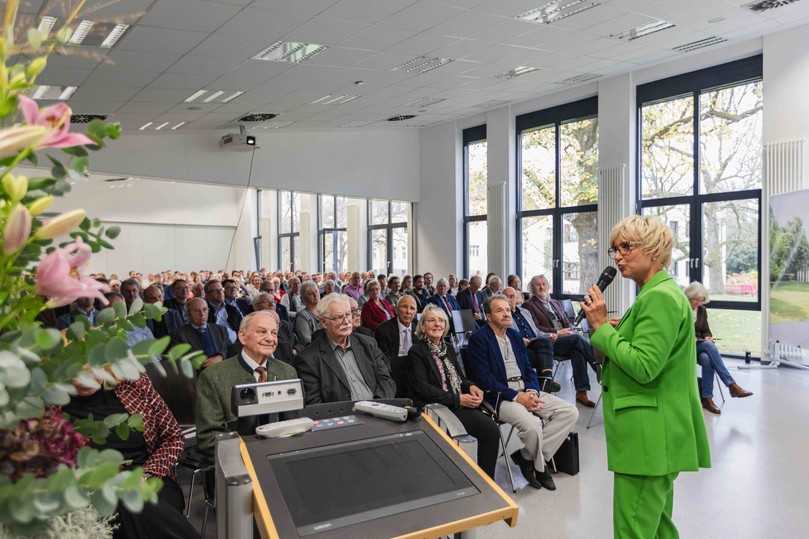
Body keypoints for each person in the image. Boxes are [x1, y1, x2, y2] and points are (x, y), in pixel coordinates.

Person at [580, 215, 711, 539]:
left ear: (654, 249)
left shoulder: (659, 298)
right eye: (614, 250)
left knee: (634, 530)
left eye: (626, 246)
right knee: (658, 528)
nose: (618, 256)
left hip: (648, 436)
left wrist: (599, 328)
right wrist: (616, 333)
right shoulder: (660, 294)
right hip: (655, 436)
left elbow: (644, 366)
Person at [465, 295, 578, 491]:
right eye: (500, 310)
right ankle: (541, 468)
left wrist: (532, 391)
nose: (507, 312)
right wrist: (518, 397)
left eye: (508, 309)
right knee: (533, 425)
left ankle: (526, 456)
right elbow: (484, 379)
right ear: (489, 316)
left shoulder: (515, 336)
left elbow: (528, 369)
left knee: (570, 412)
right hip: (501, 397)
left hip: (526, 390)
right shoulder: (478, 339)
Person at [66, 372, 199, 539]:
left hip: (150, 476)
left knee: (141, 505)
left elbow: (173, 437)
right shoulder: (50, 405)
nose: (91, 372)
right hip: (91, 489)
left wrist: (145, 475)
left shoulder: (133, 383)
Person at [407, 305, 500, 478]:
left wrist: (471, 386)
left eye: (441, 320)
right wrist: (457, 399)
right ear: (423, 326)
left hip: (456, 402)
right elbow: (422, 388)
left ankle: (488, 481)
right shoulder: (417, 351)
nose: (437, 324)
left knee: (491, 430)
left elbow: (460, 378)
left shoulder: (447, 347)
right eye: (431, 320)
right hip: (434, 407)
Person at [195, 311, 298, 458]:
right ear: (242, 336)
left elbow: (294, 426)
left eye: (274, 333)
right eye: (262, 332)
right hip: (237, 462)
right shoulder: (213, 377)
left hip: (282, 458)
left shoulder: (288, 372)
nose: (270, 338)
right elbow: (208, 439)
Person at [296, 294, 396, 404]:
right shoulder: (309, 359)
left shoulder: (368, 344)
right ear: (324, 322)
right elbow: (316, 404)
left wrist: (376, 407)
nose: (346, 321)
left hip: (379, 411)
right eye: (339, 317)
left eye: (348, 314)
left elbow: (386, 381)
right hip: (342, 418)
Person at [524, 274, 600, 407]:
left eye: (544, 284)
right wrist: (557, 332)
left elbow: (565, 321)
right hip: (548, 343)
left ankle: (581, 392)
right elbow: (535, 328)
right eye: (538, 285)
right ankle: (599, 368)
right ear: (532, 288)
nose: (542, 287)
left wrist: (569, 329)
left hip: (565, 339)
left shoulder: (555, 302)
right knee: (577, 340)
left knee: (578, 351)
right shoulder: (529, 305)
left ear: (548, 286)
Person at [684, 282, 753, 414]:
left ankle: (707, 399)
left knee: (706, 359)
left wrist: (708, 337)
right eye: (695, 300)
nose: (698, 303)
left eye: (701, 300)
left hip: (699, 347)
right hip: (685, 347)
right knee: (708, 347)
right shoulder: (681, 308)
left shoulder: (702, 310)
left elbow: (706, 331)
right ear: (688, 297)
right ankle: (731, 385)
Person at [503, 287, 560, 393]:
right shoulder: (505, 316)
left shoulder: (525, 312)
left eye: (512, 296)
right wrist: (520, 340)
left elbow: (537, 331)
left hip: (536, 341)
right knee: (543, 347)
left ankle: (544, 381)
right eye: (506, 297)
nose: (509, 299)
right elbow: (505, 334)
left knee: (548, 342)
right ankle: (546, 381)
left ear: (517, 298)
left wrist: (550, 334)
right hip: (522, 345)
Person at [374, 295, 418, 396]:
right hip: (394, 373)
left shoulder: (420, 329)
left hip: (415, 374)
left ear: (415, 312)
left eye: (412, 308)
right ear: (396, 309)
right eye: (404, 307)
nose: (408, 311)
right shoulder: (383, 330)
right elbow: (384, 361)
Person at [173, 297, 229, 369]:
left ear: (208, 311)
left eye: (205, 310)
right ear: (188, 314)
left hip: (223, 369)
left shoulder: (220, 330)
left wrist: (221, 357)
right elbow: (184, 359)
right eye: (196, 311)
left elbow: (227, 350)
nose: (202, 314)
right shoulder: (179, 335)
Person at [204, 279, 240, 344]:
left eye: (221, 289)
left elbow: (241, 328)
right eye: (215, 291)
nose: (220, 292)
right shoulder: (204, 311)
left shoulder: (231, 309)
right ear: (207, 295)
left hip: (236, 342)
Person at [294, 280, 322, 353]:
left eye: (316, 291)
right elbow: (307, 342)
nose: (315, 295)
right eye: (310, 293)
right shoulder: (302, 316)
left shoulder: (325, 311)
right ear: (303, 298)